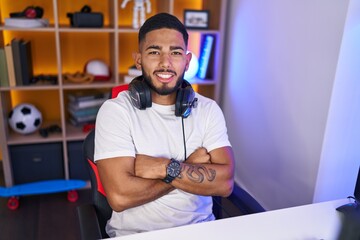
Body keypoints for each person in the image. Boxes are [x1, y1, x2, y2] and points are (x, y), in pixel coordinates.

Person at [94, 12, 235, 237]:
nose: (165, 63)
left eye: (175, 52)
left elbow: (225, 183)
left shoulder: (208, 110)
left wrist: (159, 167)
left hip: (202, 231)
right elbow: (120, 198)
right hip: (136, 234)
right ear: (138, 59)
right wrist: (187, 165)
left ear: (187, 61)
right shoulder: (115, 111)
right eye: (154, 51)